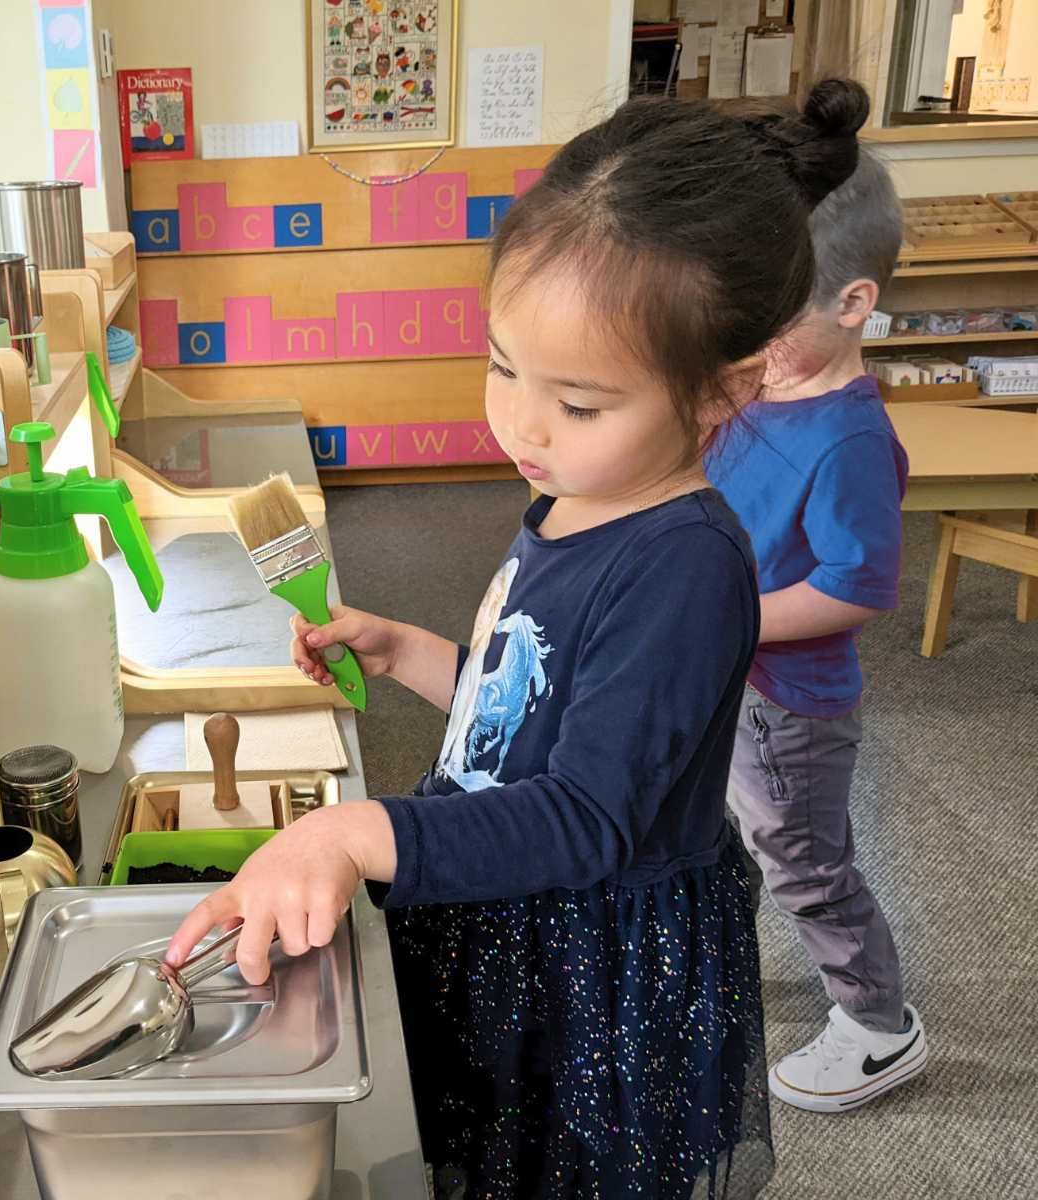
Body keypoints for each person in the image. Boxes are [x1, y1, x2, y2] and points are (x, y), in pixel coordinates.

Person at [167, 79, 876, 1199]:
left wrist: (359, 829)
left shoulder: (684, 566)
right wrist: (409, 650)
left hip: (591, 965)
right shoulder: (571, 494)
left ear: (719, 391)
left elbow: (588, 813)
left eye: (580, 402)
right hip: (515, 915)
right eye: (503, 365)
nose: (521, 422)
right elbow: (528, 711)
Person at [706, 149, 924, 1113]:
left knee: (806, 861)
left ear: (852, 302)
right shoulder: (762, 387)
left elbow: (859, 586)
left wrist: (731, 616)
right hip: (725, 680)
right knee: (736, 839)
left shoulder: (849, 439)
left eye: (770, 319)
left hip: (788, 709)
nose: (747, 338)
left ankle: (880, 1024)